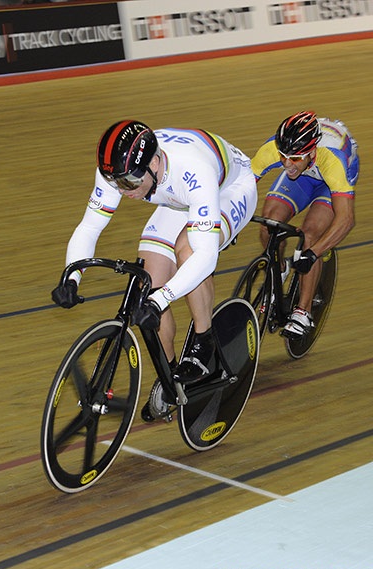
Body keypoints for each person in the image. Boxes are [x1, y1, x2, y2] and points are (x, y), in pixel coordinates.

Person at [52, 120, 257, 420]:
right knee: (147, 285)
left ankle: (204, 340)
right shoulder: (117, 170)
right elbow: (90, 226)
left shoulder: (193, 171)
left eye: (131, 184)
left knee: (188, 250)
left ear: (155, 162)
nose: (125, 191)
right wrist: (72, 276)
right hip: (177, 199)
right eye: (119, 184)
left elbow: (205, 257)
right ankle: (172, 378)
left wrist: (163, 299)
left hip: (229, 189)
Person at [251, 111, 358, 338]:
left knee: (311, 236)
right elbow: (241, 188)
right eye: (283, 156)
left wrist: (313, 254)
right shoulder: (275, 149)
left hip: (330, 181)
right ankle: (280, 271)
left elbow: (346, 220)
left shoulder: (333, 159)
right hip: (305, 175)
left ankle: (303, 312)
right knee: (270, 222)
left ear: (312, 151)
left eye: (295, 158)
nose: (287, 163)